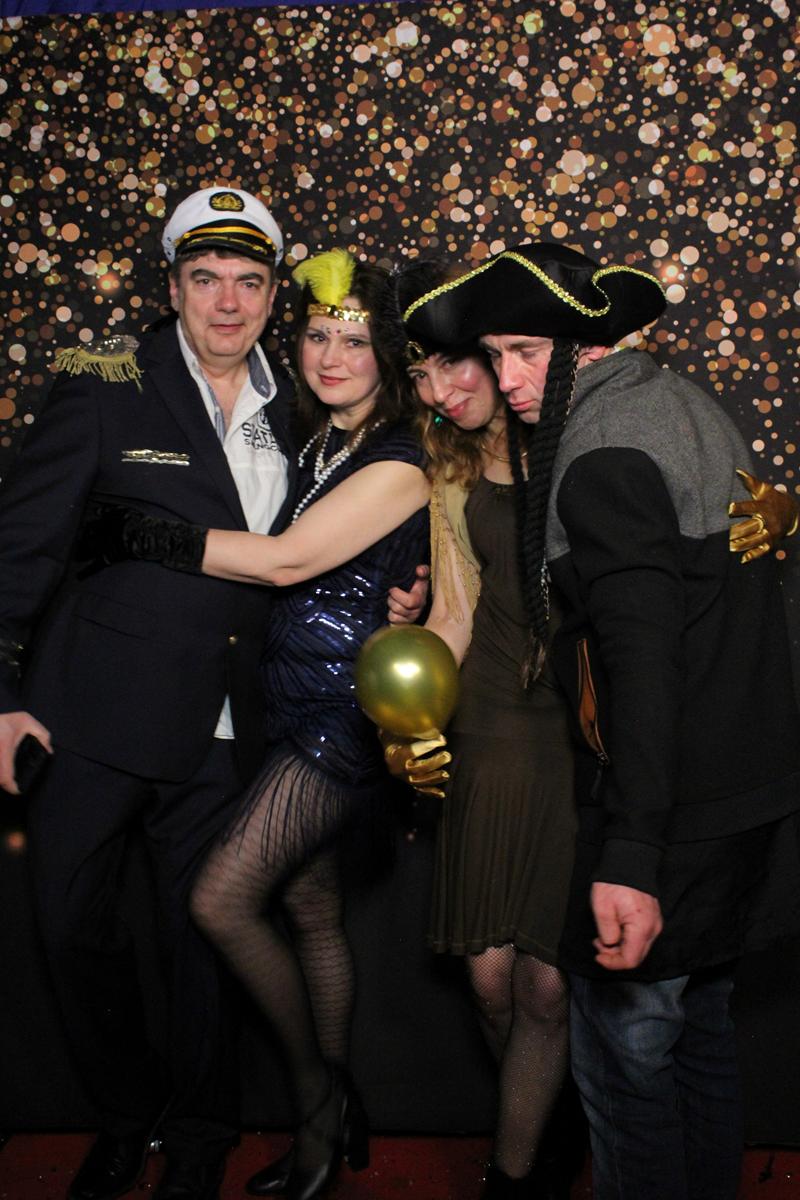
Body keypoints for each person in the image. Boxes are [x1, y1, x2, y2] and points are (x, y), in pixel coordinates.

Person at [0, 190, 424, 1200]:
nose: (227, 303)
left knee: (204, 943)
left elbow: (327, 545)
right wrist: (2, 687)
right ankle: (123, 1115)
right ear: (174, 285)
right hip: (91, 715)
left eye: (248, 282)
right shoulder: (104, 380)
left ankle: (199, 1136)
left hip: (233, 725)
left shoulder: (301, 404)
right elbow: (20, 542)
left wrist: (407, 600)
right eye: (205, 279)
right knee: (70, 929)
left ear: (274, 295)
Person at [399, 240, 800, 1200]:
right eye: (498, 355)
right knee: (698, 1037)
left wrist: (631, 853)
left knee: (625, 1063)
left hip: (675, 812)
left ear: (588, 346)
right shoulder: (684, 402)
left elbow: (643, 667)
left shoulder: (600, 454)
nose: (508, 380)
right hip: (741, 796)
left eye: (528, 353)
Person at [376, 260, 582, 1200]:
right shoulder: (449, 466)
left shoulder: (576, 433)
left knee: (547, 982)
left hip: (573, 731)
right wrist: (413, 722)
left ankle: (516, 1171)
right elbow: (454, 613)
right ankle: (546, 1115)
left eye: (454, 363)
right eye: (418, 374)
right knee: (491, 982)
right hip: (493, 723)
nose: (439, 391)